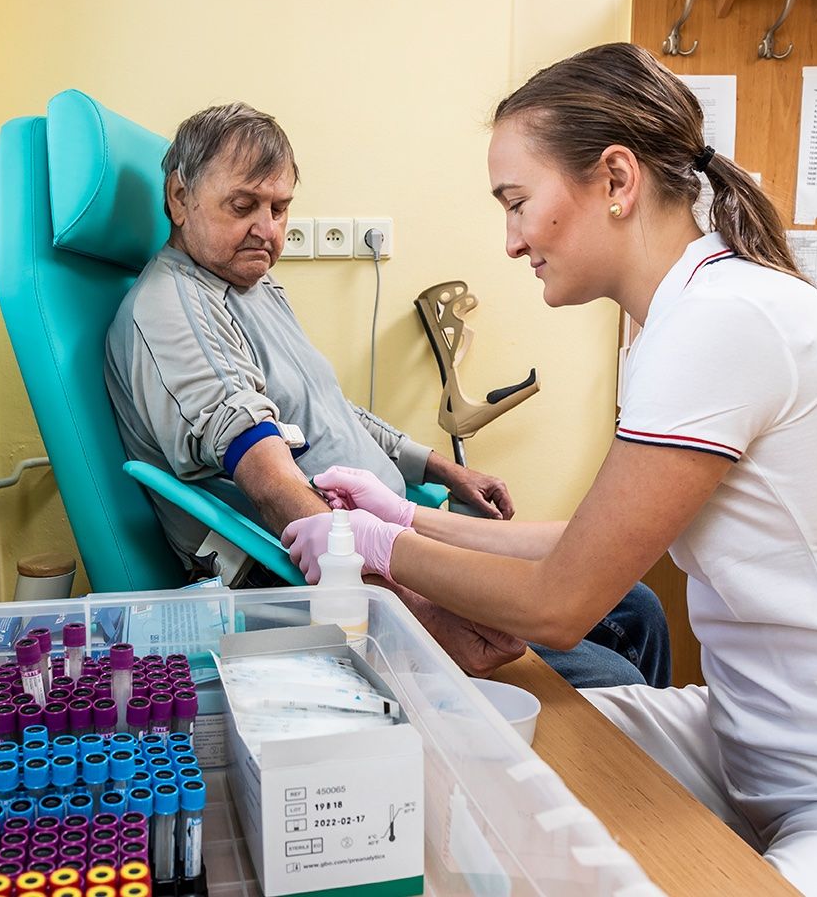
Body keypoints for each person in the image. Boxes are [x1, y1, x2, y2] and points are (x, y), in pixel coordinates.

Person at [283, 43, 817, 895]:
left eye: (518, 203)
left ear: (615, 180)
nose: (510, 240)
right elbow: (595, 541)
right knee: (487, 747)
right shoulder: (684, 319)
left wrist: (374, 549)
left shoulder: (723, 322)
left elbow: (563, 604)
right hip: (760, 746)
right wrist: (408, 515)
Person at [105, 101, 670, 687]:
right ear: (178, 198)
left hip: (387, 537)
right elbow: (269, 481)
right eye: (243, 206)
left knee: (635, 607)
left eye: (280, 208)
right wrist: (409, 614)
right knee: (607, 672)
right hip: (314, 582)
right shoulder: (175, 311)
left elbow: (325, 406)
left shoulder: (253, 287)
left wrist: (441, 469)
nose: (268, 230)